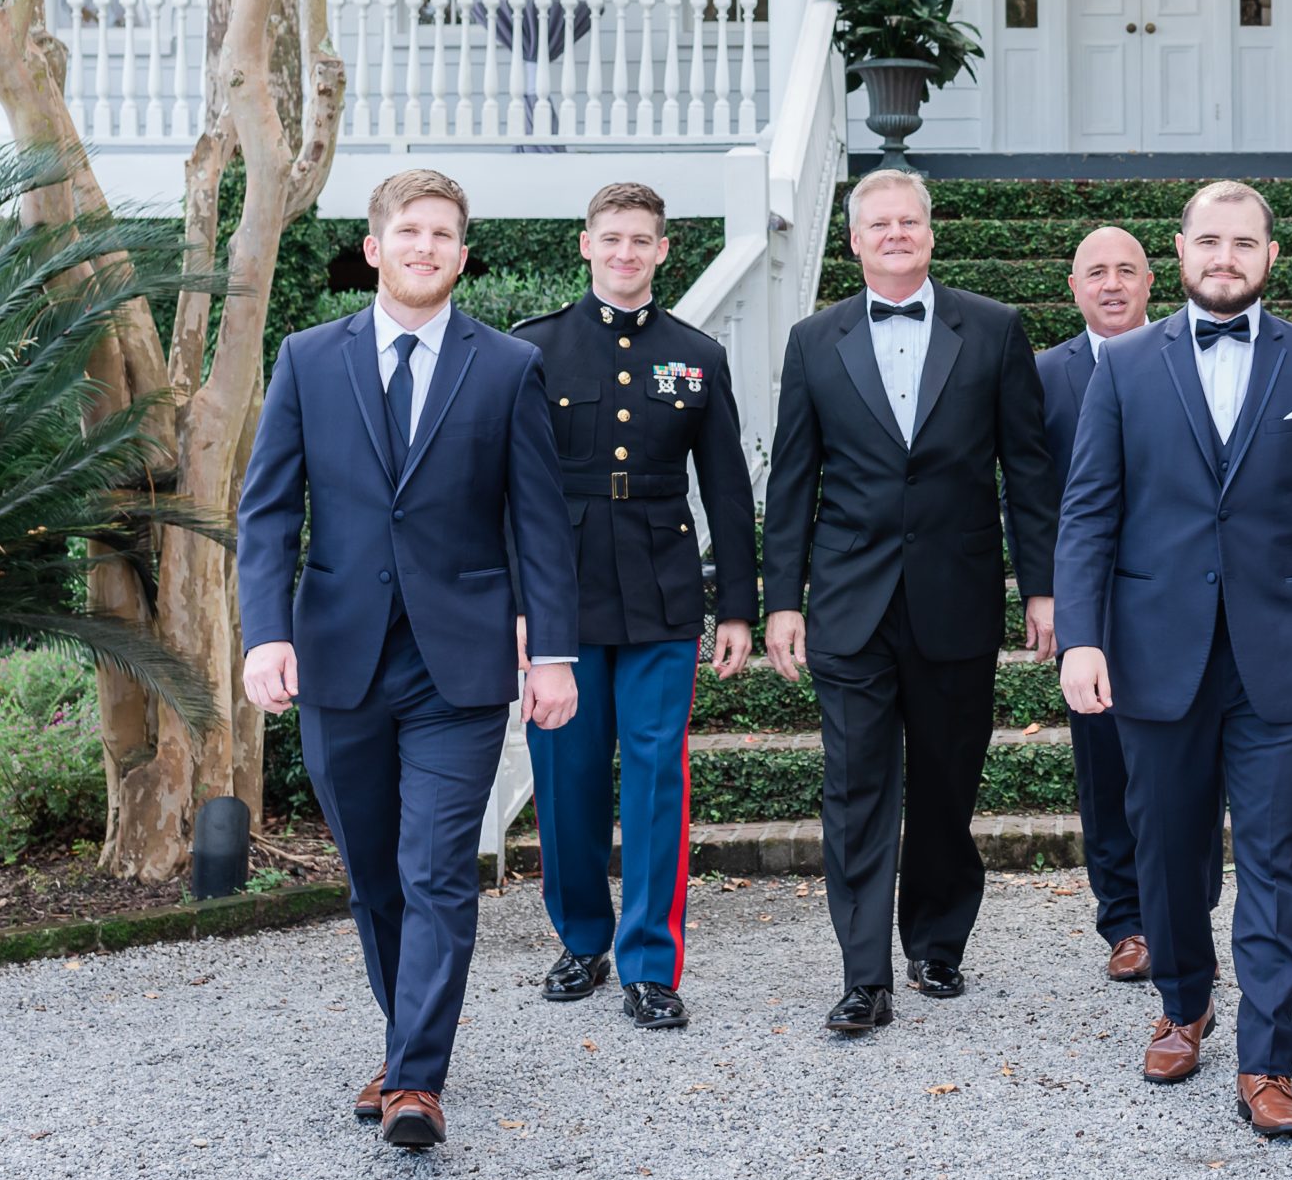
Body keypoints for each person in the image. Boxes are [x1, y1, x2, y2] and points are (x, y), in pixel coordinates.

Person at [238, 169, 580, 1151]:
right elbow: (267, 509)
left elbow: (538, 523)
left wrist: (548, 651)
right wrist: (267, 630)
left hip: (458, 664)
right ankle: (405, 1042)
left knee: (436, 869)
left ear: (463, 256)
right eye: (409, 228)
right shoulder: (308, 359)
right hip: (339, 658)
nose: (426, 244)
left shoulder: (506, 367)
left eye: (444, 232)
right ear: (375, 247)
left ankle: (417, 1080)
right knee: (374, 874)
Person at [1057, 180, 1292, 1141]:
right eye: (1209, 240)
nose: (1225, 257)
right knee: (1165, 846)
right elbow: (1088, 511)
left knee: (1280, 855)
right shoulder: (1123, 365)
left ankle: (1266, 1057)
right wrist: (1081, 633)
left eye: (1244, 242)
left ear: (1269, 256)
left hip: (1279, 657)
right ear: (1182, 248)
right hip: (1153, 653)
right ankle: (1184, 998)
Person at [760, 167, 1060, 1035]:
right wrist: (786, 600)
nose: (895, 234)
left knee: (944, 780)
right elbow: (792, 481)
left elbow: (1028, 472)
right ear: (853, 240)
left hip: (956, 594)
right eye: (878, 223)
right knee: (855, 785)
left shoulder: (995, 330)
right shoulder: (814, 340)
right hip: (851, 601)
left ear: (931, 233)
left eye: (909, 222)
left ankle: (936, 940)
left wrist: (1041, 586)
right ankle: (864, 974)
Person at [509, 182, 757, 1030]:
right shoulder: (533, 350)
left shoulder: (697, 355)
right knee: (567, 774)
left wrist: (736, 607)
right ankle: (582, 938)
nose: (625, 252)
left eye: (640, 240)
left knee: (656, 777)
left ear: (662, 250)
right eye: (611, 238)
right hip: (564, 596)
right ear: (585, 245)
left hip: (661, 591)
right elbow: (510, 491)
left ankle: (650, 963)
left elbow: (727, 486)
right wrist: (517, 607)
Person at [1026, 225, 1219, 984]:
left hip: (1184, 598)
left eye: (1126, 271)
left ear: (1151, 281)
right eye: (1095, 272)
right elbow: (1034, 495)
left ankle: (1189, 906)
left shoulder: (1194, 356)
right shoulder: (1043, 375)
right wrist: (1049, 594)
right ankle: (1128, 920)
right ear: (1073, 287)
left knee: (1192, 763)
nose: (1111, 283)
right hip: (1094, 601)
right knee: (1106, 763)